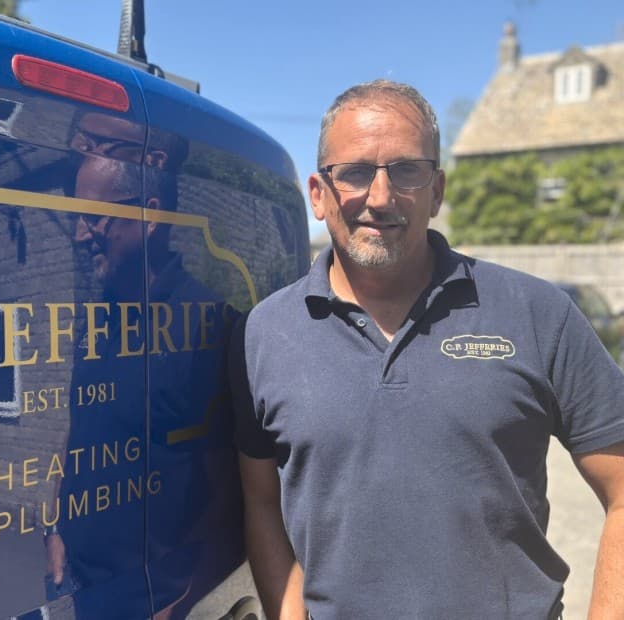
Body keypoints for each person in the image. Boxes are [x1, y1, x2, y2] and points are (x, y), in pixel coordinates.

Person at [230, 80, 624, 619]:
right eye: (355, 172)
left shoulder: (538, 312)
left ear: (436, 191)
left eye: (407, 171)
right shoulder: (263, 334)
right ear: (319, 194)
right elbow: (261, 502)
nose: (381, 197)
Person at [44, 115, 238, 619]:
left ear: (150, 217)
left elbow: (232, 485)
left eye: (94, 217)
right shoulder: (98, 316)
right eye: (76, 218)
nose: (79, 236)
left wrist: (183, 602)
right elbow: (83, 424)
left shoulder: (208, 323)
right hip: (78, 584)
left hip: (154, 601)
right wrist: (59, 527)